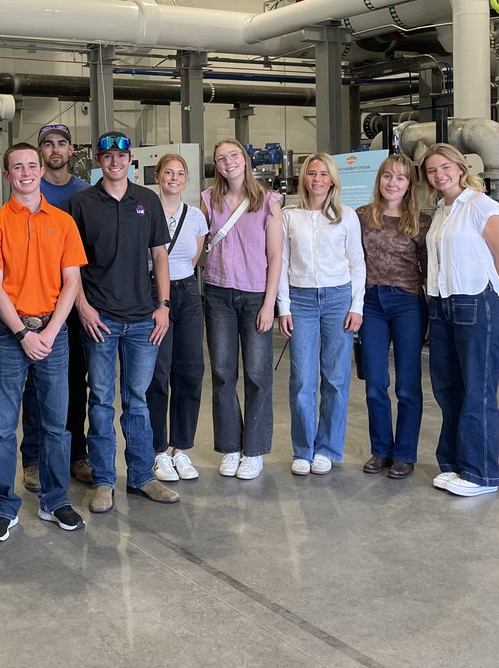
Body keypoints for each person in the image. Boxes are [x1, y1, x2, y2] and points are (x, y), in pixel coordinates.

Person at [0, 142, 87, 541]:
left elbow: (72, 281)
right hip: (10, 335)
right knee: (4, 427)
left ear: (41, 171)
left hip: (54, 335)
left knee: (57, 425)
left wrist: (50, 333)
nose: (25, 172)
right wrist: (23, 333)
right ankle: (5, 505)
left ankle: (55, 500)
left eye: (31, 165)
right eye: (17, 167)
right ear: (6, 175)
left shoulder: (63, 221)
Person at [69, 132, 179, 512]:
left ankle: (141, 476)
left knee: (137, 400)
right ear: (98, 160)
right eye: (107, 156)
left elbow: (160, 257)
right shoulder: (81, 203)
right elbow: (71, 266)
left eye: (121, 156)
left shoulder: (147, 200)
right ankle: (103, 481)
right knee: (100, 400)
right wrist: (83, 307)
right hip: (100, 318)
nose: (114, 162)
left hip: (143, 320)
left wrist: (163, 306)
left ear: (130, 159)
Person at [420, 142, 499, 498]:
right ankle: (455, 464)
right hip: (443, 306)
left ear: (461, 169)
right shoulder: (442, 210)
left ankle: (481, 474)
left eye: (445, 167)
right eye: (432, 170)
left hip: (476, 303)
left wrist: (494, 295)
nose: (439, 174)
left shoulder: (481, 205)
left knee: (478, 390)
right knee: (448, 389)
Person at [276, 153, 365, 477]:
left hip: (338, 299)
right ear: (304, 179)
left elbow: (357, 262)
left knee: (336, 378)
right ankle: (303, 449)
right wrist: (283, 307)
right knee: (301, 378)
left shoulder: (347, 216)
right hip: (300, 300)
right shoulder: (289, 216)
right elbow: (281, 264)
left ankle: (327, 448)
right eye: (312, 173)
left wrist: (357, 306)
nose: (317, 179)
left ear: (332, 180)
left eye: (323, 174)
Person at [202, 139, 282, 480]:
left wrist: (269, 305)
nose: (228, 162)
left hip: (254, 298)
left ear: (245, 160)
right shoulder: (208, 200)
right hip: (218, 294)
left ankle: (254, 450)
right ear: (217, 165)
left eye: (233, 155)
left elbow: (276, 256)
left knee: (257, 375)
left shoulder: (268, 201)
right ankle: (231, 447)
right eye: (221, 158)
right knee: (222, 374)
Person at [25, 121, 94, 489]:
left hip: (73, 302)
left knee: (74, 383)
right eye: (47, 143)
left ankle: (76, 453)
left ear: (71, 151)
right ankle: (33, 458)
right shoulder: (30, 191)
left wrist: (83, 302)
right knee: (35, 386)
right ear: (40, 152)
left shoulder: (84, 194)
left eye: (61, 143)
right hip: (35, 305)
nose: (54, 149)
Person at [355, 153, 431, 480]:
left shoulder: (420, 222)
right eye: (388, 176)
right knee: (375, 382)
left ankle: (404, 454)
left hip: (408, 304)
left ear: (409, 184)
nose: (392, 183)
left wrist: (432, 315)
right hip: (371, 302)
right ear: (379, 180)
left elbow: (429, 271)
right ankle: (381, 449)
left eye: (400, 178)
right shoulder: (361, 216)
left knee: (407, 386)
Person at [145, 153, 208, 482]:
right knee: (158, 371)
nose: (173, 177)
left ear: (186, 179)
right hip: (154, 293)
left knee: (190, 370)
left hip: (188, 293)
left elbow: (194, 257)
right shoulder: (144, 211)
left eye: (179, 173)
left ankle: (180, 449)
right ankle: (158, 450)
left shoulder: (196, 216)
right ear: (157, 176)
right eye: (167, 172)